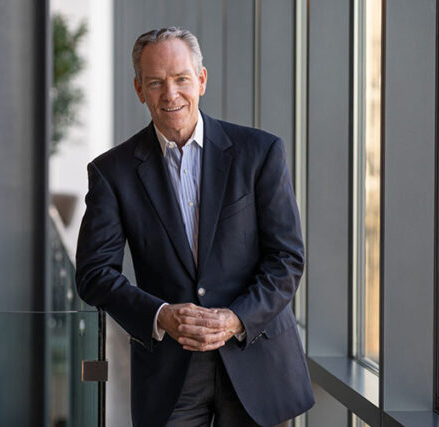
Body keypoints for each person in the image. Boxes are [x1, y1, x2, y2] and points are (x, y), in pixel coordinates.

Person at [76, 27, 314, 427]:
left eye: (181, 79)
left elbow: (286, 258)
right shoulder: (112, 173)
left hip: (254, 359)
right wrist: (161, 315)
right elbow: (94, 274)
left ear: (201, 80)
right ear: (139, 89)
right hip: (170, 370)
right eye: (156, 83)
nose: (170, 94)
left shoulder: (260, 153)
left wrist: (237, 318)